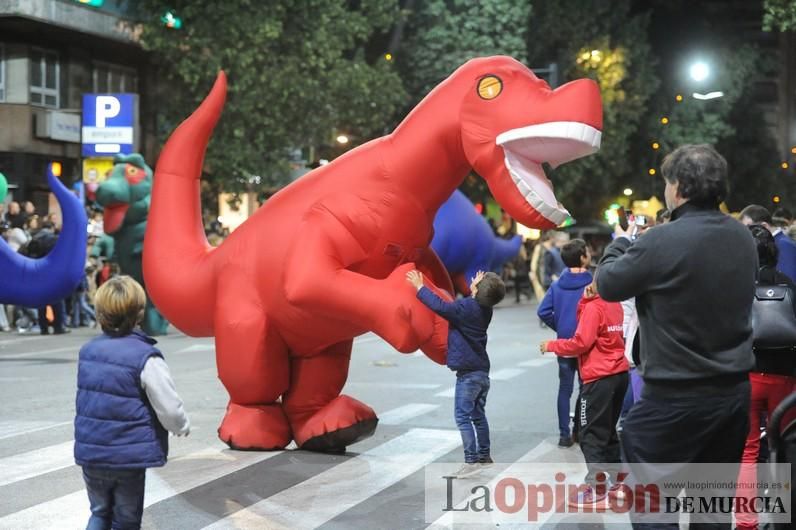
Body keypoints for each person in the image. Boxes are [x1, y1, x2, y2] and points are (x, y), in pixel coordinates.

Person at [597, 144, 757, 528]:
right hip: (731, 395)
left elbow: (607, 282)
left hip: (673, 398)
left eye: (668, 182)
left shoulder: (661, 240)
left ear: (680, 187)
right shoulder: (742, 238)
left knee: (653, 507)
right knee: (712, 510)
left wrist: (621, 240)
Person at [74, 275, 190, 530]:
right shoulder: (145, 357)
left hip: (92, 452)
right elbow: (168, 405)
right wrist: (180, 425)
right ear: (139, 312)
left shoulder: (88, 351)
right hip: (127, 456)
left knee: (100, 513)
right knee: (126, 520)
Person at [406, 269, 505, 478]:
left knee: (462, 417)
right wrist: (479, 286)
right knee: (478, 415)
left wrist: (420, 287)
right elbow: (476, 301)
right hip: (481, 373)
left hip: (467, 374)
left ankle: (471, 461)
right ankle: (484, 456)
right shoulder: (485, 308)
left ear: (477, 291)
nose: (473, 281)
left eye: (477, 283)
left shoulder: (464, 308)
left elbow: (440, 306)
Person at [540, 277, 628, 506]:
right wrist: (584, 302)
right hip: (619, 374)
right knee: (608, 431)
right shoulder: (614, 304)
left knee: (588, 433)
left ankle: (596, 488)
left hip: (598, 379)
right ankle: (618, 482)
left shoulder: (594, 307)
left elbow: (581, 342)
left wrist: (551, 345)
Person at [735, 224, 796, 530]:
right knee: (785, 448)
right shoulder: (789, 284)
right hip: (785, 379)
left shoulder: (737, 287)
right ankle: (783, 518)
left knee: (747, 450)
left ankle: (746, 522)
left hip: (747, 375)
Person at [537, 238, 593, 447]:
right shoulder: (591, 284)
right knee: (585, 388)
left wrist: (560, 327)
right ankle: (580, 429)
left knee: (564, 389)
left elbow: (542, 311)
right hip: (586, 343)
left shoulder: (557, 285)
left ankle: (564, 434)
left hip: (563, 344)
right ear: (582, 257)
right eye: (587, 251)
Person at [740, 204, 796, 283]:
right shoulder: (777, 243)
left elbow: (786, 286)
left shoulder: (784, 245)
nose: (745, 233)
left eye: (749, 227)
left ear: (764, 226)